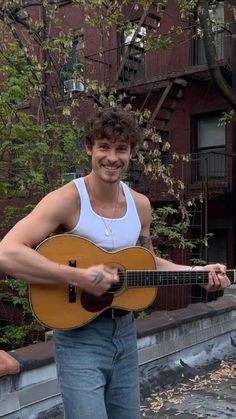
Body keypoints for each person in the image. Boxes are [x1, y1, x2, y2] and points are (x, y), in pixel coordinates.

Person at [0, 107, 231, 419]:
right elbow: (7, 252)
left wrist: (196, 272)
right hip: (79, 338)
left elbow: (147, 264)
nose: (112, 158)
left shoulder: (140, 206)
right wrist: (78, 276)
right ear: (89, 148)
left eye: (121, 149)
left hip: (124, 334)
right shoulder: (68, 199)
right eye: (104, 147)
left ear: (131, 153)